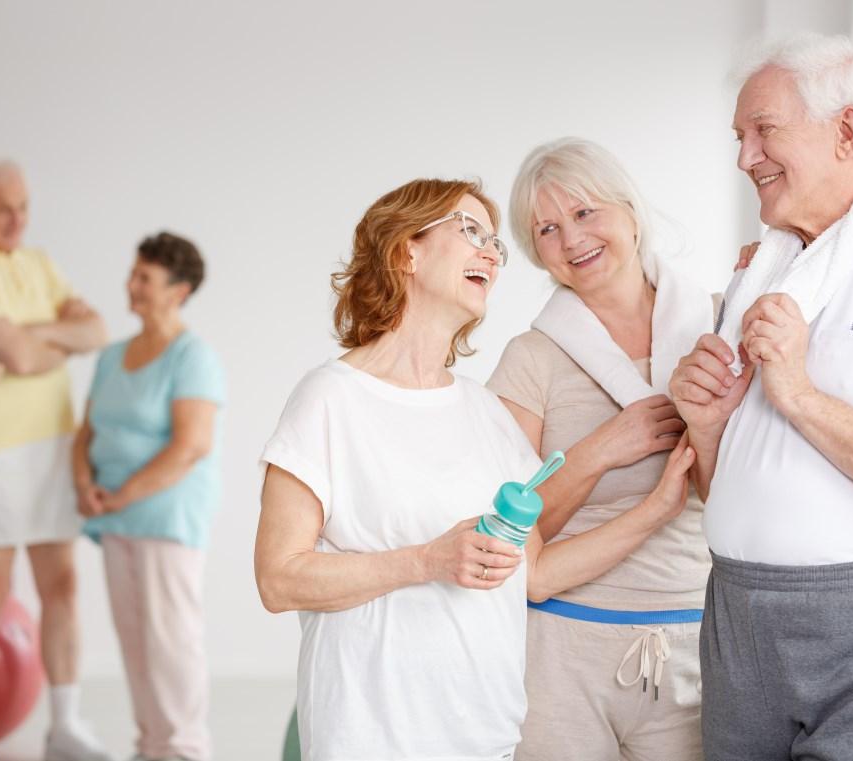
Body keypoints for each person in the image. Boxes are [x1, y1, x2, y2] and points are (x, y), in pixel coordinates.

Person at [255, 178, 695, 761]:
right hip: (372, 738)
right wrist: (426, 561)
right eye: (470, 232)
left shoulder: (485, 411)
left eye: (495, 243)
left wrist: (656, 510)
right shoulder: (330, 398)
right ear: (406, 251)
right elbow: (278, 580)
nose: (491, 253)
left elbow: (535, 573)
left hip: (485, 736)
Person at [670, 33, 853, 761]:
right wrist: (706, 424)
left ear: (846, 130)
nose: (745, 158)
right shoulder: (758, 277)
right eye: (740, 137)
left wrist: (799, 392)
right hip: (738, 614)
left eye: (764, 129)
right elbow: (722, 488)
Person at [489, 137, 713, 760]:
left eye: (585, 212)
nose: (572, 240)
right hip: (563, 655)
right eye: (547, 229)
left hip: (694, 649)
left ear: (630, 211)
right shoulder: (530, 360)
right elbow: (511, 536)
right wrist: (601, 450)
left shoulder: (720, 325)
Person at [0, 158, 110, 761]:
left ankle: (64, 725)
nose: (17, 220)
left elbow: (96, 332)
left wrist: (30, 335)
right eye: (2, 210)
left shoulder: (39, 263)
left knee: (62, 584)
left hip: (55, 444)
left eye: (24, 208)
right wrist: (50, 336)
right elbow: (17, 355)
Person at [73, 232, 225, 761]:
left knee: (171, 641)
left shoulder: (193, 357)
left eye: (146, 278)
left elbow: (191, 446)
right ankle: (151, 747)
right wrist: (85, 486)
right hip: (114, 518)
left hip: (166, 517)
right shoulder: (112, 356)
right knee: (135, 642)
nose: (132, 285)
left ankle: (184, 749)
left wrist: (122, 495)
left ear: (178, 291)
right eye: (133, 273)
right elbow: (84, 433)